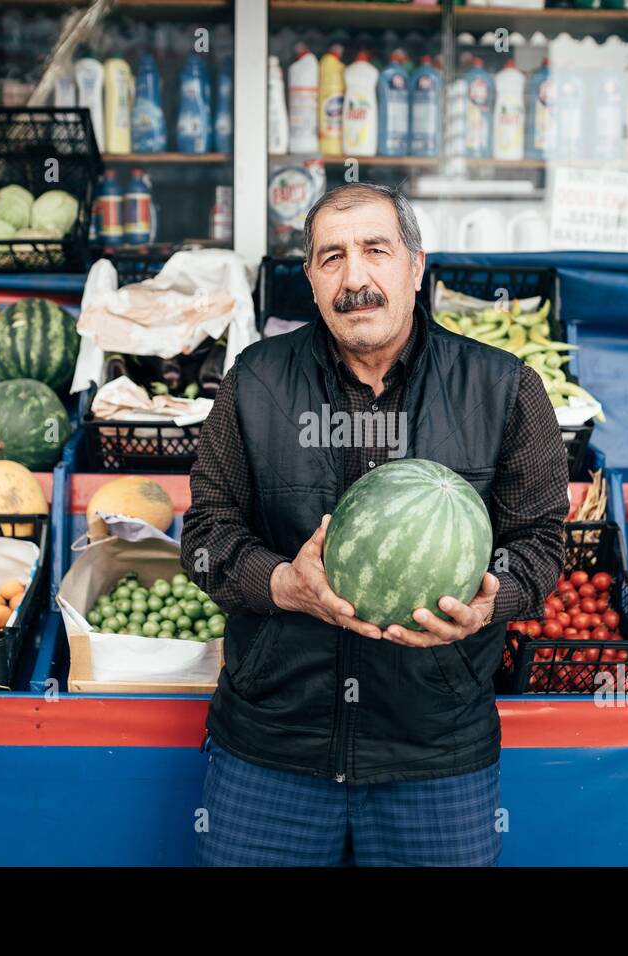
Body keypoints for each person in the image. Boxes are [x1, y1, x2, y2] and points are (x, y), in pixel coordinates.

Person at [182, 182, 568, 866]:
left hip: (435, 752)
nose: (354, 278)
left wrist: (488, 603)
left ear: (416, 267)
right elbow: (206, 538)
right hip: (273, 744)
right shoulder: (256, 382)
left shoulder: (503, 388)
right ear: (309, 278)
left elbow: (540, 546)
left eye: (375, 251)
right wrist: (281, 583)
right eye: (331, 257)